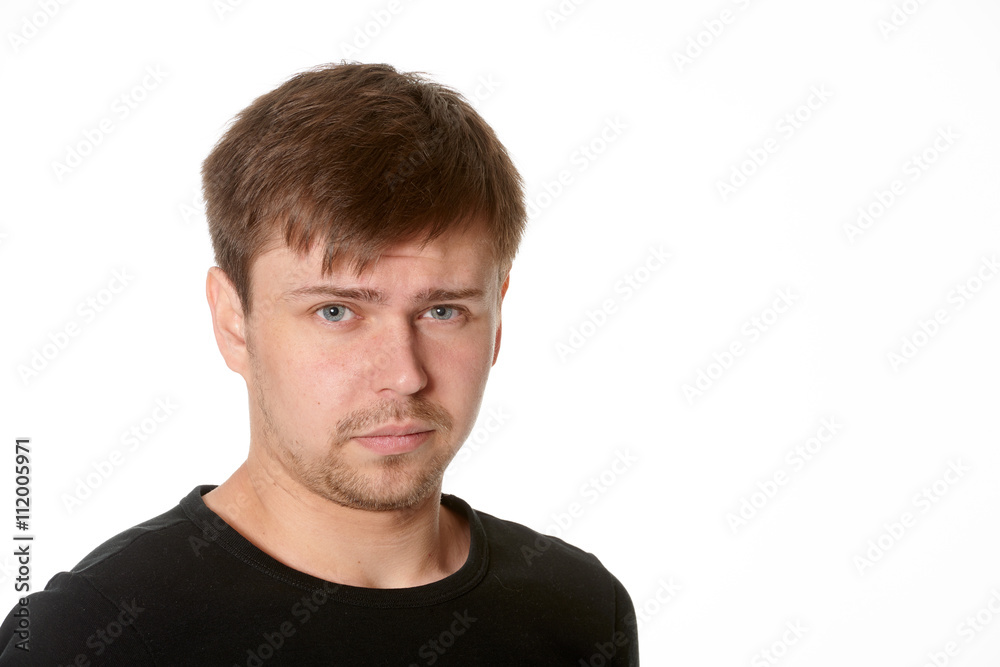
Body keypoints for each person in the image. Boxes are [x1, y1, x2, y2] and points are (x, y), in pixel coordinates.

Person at [0, 62, 638, 665]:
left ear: (497, 315)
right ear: (233, 321)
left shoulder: (580, 610)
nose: (405, 374)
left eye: (443, 311)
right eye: (336, 312)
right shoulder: (90, 637)